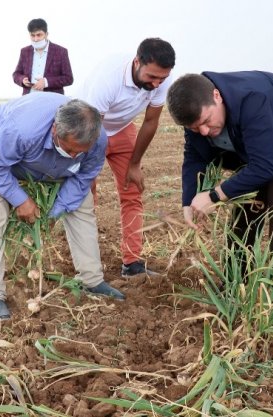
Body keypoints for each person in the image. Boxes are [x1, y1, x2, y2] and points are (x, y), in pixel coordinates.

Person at [166, 72, 273, 283]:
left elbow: (264, 166)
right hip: (259, 141)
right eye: (195, 128)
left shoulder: (250, 101)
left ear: (217, 96)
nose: (205, 131)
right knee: (247, 207)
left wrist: (215, 196)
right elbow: (194, 158)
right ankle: (236, 282)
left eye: (207, 121)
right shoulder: (195, 114)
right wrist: (189, 201)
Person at [0, 93, 124, 322]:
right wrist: (20, 200)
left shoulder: (97, 140)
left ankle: (92, 280)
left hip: (53, 168)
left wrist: (56, 211)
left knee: (82, 208)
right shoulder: (23, 130)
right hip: (2, 154)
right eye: (70, 149)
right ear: (55, 130)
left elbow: (84, 177)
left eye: (79, 152)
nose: (74, 156)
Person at [78, 38, 175, 277]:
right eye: (151, 77)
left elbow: (151, 121)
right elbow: (92, 127)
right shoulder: (108, 79)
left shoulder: (161, 79)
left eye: (161, 79)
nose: (156, 83)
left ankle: (133, 264)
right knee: (85, 198)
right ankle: (87, 267)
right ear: (136, 62)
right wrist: (88, 169)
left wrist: (135, 164)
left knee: (132, 194)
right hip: (89, 128)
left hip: (122, 129)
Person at [12, 18, 73, 95]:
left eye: (39, 35)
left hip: (52, 100)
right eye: (32, 35)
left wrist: (46, 82)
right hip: (29, 98)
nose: (36, 39)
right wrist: (22, 80)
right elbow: (16, 74)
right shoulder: (24, 51)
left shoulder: (61, 51)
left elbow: (68, 78)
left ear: (46, 34)